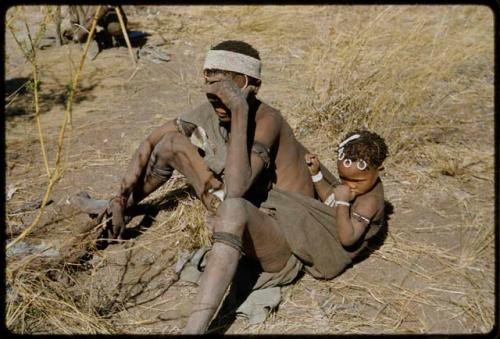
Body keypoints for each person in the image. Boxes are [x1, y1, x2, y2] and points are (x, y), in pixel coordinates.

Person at [305, 130, 388, 252]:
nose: (349, 185)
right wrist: (316, 174)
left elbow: (347, 240)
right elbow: (330, 199)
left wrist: (342, 203)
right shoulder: (364, 185)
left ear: (379, 170)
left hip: (338, 253)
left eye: (357, 181)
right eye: (343, 178)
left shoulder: (369, 202)